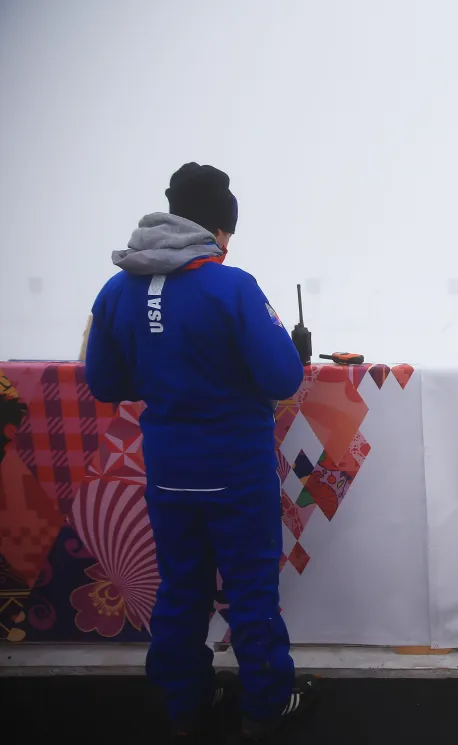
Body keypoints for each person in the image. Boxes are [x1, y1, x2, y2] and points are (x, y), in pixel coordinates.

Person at [85, 163, 315, 739]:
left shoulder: (116, 289)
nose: (228, 244)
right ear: (216, 227)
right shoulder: (232, 285)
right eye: (227, 232)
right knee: (251, 590)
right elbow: (283, 378)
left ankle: (186, 703)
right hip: (235, 472)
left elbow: (106, 382)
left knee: (181, 589)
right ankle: (264, 706)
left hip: (168, 471)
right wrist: (294, 348)